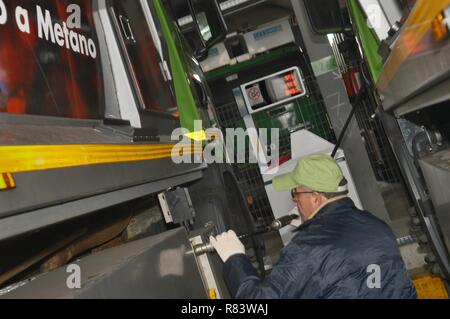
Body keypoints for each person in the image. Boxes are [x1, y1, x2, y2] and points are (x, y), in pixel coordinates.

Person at [210, 153, 417, 299]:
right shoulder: (377, 226)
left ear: (316, 198)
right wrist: (312, 223)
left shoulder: (307, 248)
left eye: (296, 193)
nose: (294, 201)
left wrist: (234, 259)